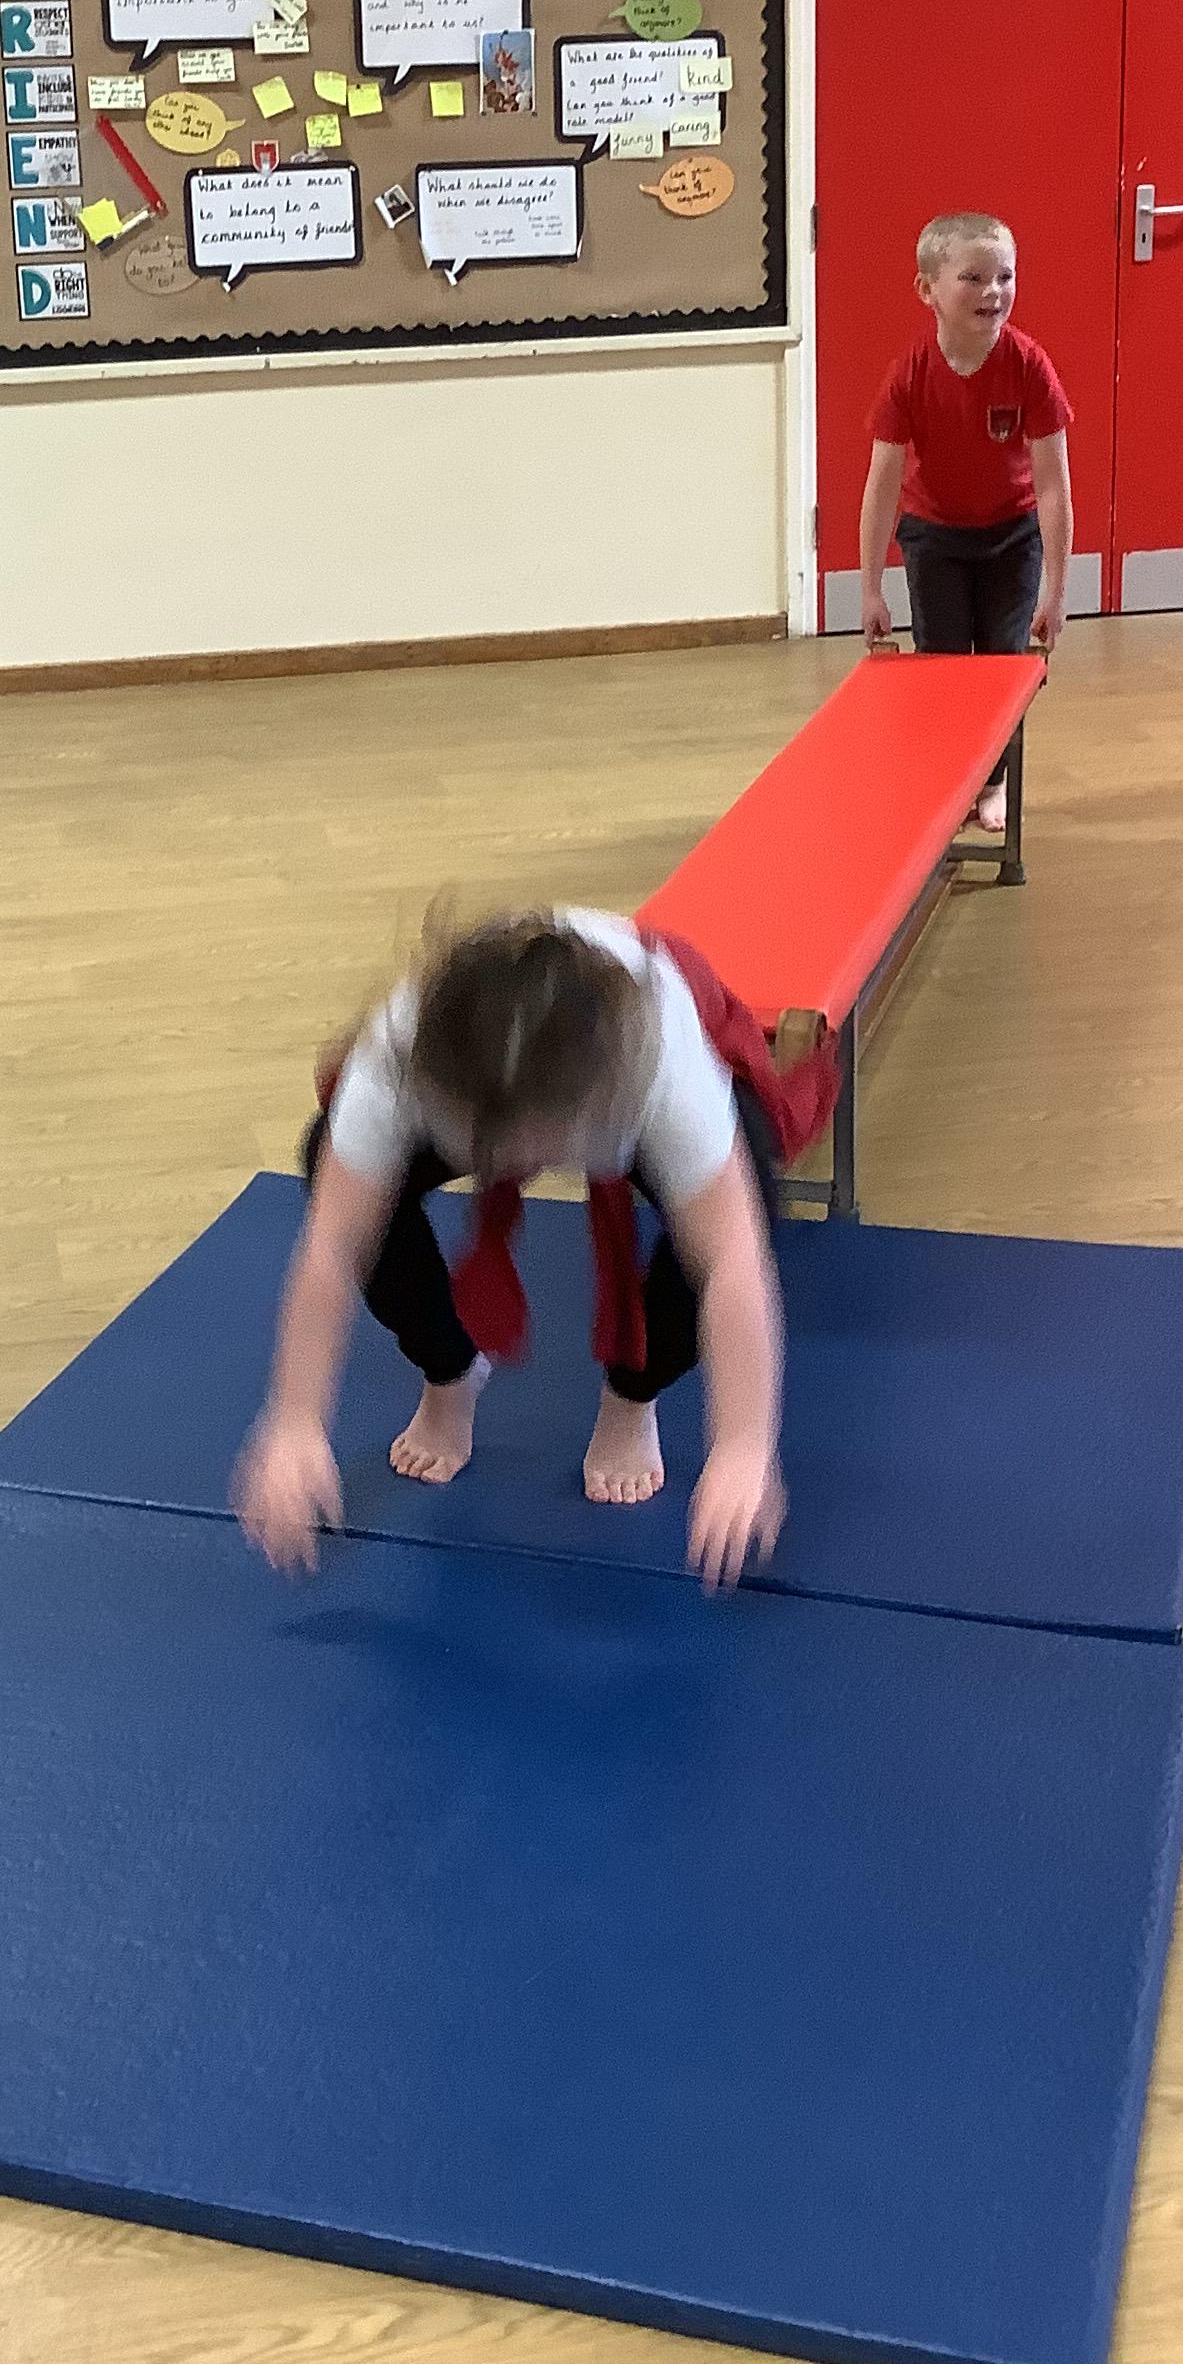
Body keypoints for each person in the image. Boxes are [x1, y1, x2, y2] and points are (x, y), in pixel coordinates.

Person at [231, 908, 835, 1593]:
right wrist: (294, 1421)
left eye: (532, 1148)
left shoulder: (659, 1062)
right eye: (494, 1150)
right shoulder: (399, 1059)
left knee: (747, 1200)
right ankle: (451, 1373)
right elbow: (334, 1249)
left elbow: (731, 1260)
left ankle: (632, 1396)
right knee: (333, 1165)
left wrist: (744, 1445)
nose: (519, 1170)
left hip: (613, 1079)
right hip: (475, 1090)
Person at [855, 211, 1073, 834]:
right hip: (936, 537)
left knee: (1003, 665)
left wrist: (1057, 591)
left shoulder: (1029, 365)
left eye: (1005, 277)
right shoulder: (910, 373)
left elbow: (1053, 485)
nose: (993, 292)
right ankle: (949, 778)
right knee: (944, 665)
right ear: (927, 290)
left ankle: (993, 780)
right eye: (973, 278)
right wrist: (870, 589)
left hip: (1012, 535)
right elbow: (882, 484)